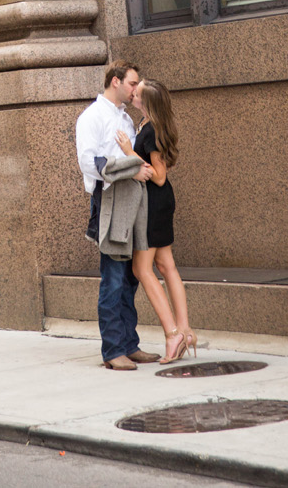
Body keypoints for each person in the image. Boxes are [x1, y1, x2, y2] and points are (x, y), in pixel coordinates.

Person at [76, 61, 155, 371]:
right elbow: (89, 161)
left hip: (133, 203)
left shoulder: (124, 117)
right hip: (108, 200)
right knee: (112, 278)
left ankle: (129, 344)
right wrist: (131, 171)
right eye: (132, 83)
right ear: (115, 81)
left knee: (130, 279)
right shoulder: (92, 117)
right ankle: (112, 350)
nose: (136, 89)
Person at [116, 78, 195, 365]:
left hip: (154, 204)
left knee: (142, 268)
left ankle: (173, 333)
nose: (133, 91)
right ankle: (184, 330)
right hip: (156, 203)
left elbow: (159, 176)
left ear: (145, 102)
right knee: (166, 265)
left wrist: (129, 153)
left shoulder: (151, 130)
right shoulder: (150, 125)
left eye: (138, 91)